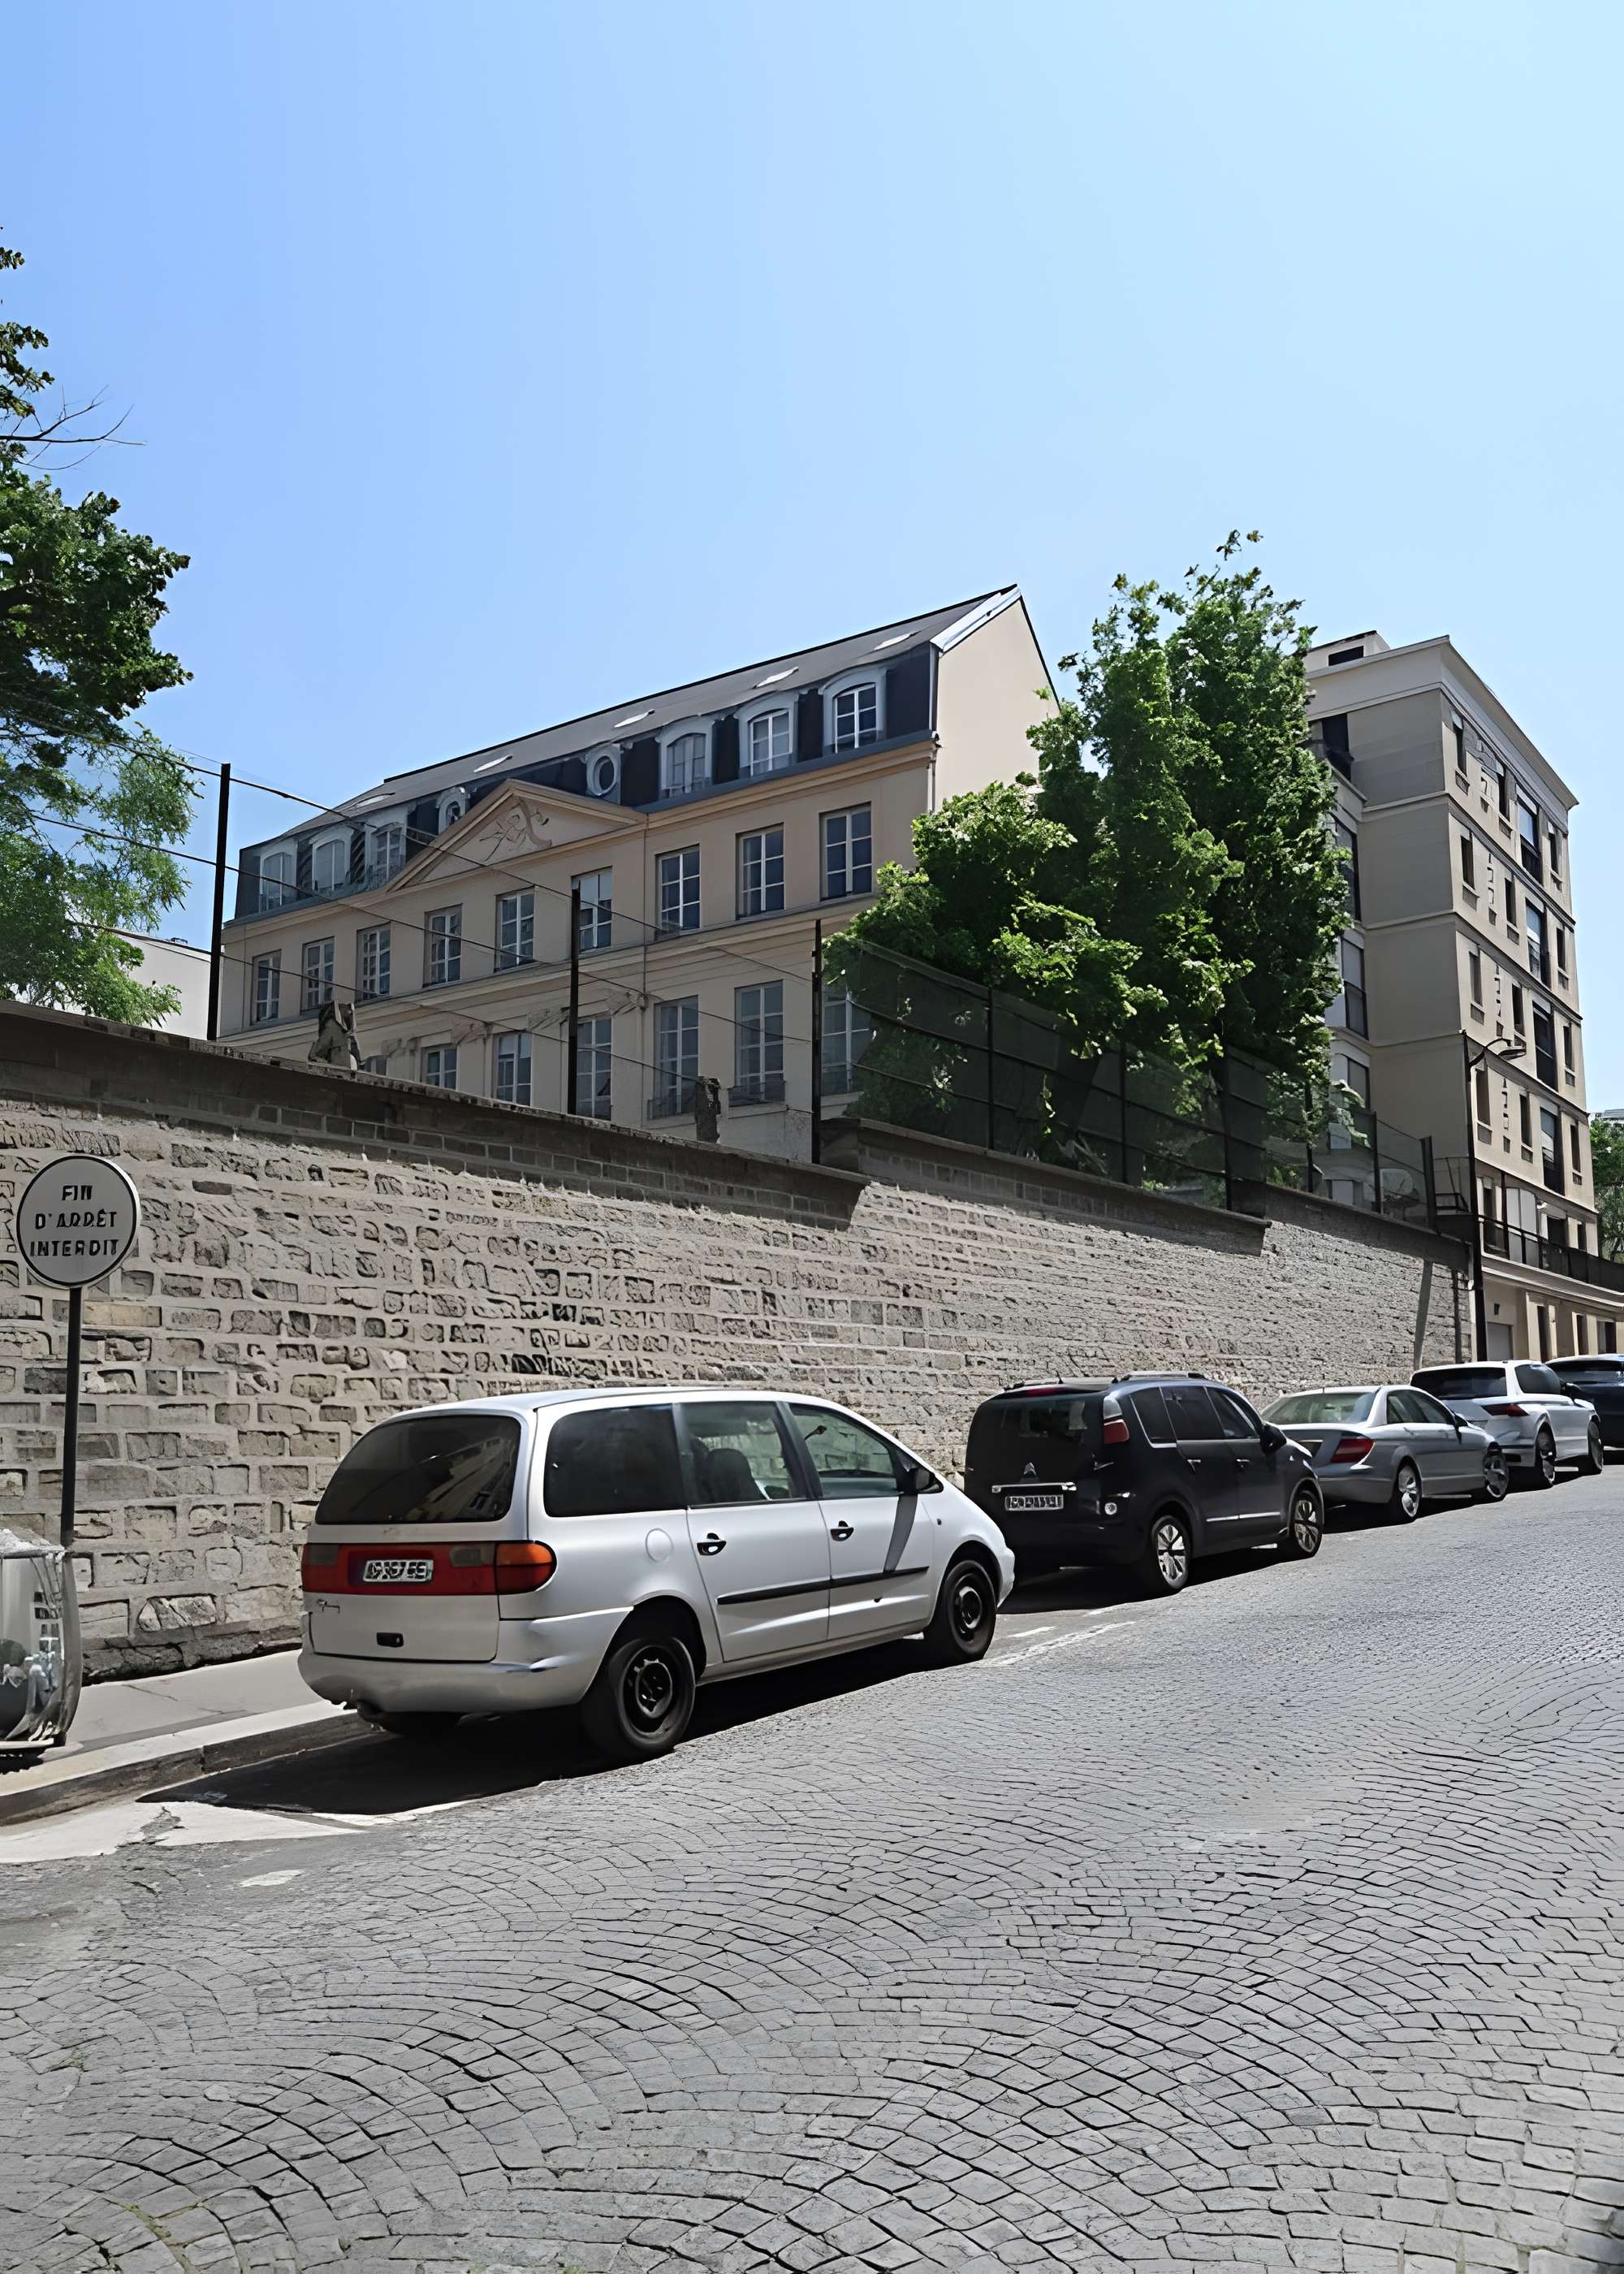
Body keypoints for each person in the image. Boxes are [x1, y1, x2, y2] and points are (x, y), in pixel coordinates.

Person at [309, 999, 361, 1071]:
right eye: (347, 1007)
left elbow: (357, 1060)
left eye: (351, 1007)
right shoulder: (332, 1027)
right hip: (336, 1073)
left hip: (350, 1074)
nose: (350, 1010)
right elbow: (315, 1054)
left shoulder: (352, 1034)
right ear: (340, 1008)